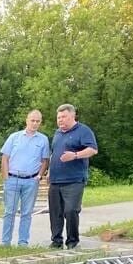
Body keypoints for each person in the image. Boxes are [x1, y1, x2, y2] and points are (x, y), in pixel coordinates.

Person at [48, 103, 98, 250]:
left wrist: (75, 155)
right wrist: (50, 171)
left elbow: (92, 150)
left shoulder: (83, 131)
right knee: (55, 212)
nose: (60, 120)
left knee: (70, 210)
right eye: (58, 117)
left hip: (74, 180)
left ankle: (72, 241)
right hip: (56, 179)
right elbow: (54, 153)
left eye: (63, 117)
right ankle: (56, 240)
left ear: (72, 116)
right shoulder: (57, 133)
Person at [0, 109, 50, 246]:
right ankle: (5, 242)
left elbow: (45, 160)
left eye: (37, 121)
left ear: (40, 123)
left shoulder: (43, 139)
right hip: (13, 178)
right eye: (32, 120)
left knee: (27, 213)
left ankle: (23, 242)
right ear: (27, 120)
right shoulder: (14, 137)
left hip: (31, 180)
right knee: (9, 212)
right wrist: (5, 177)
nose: (34, 123)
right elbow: (5, 157)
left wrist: (39, 175)